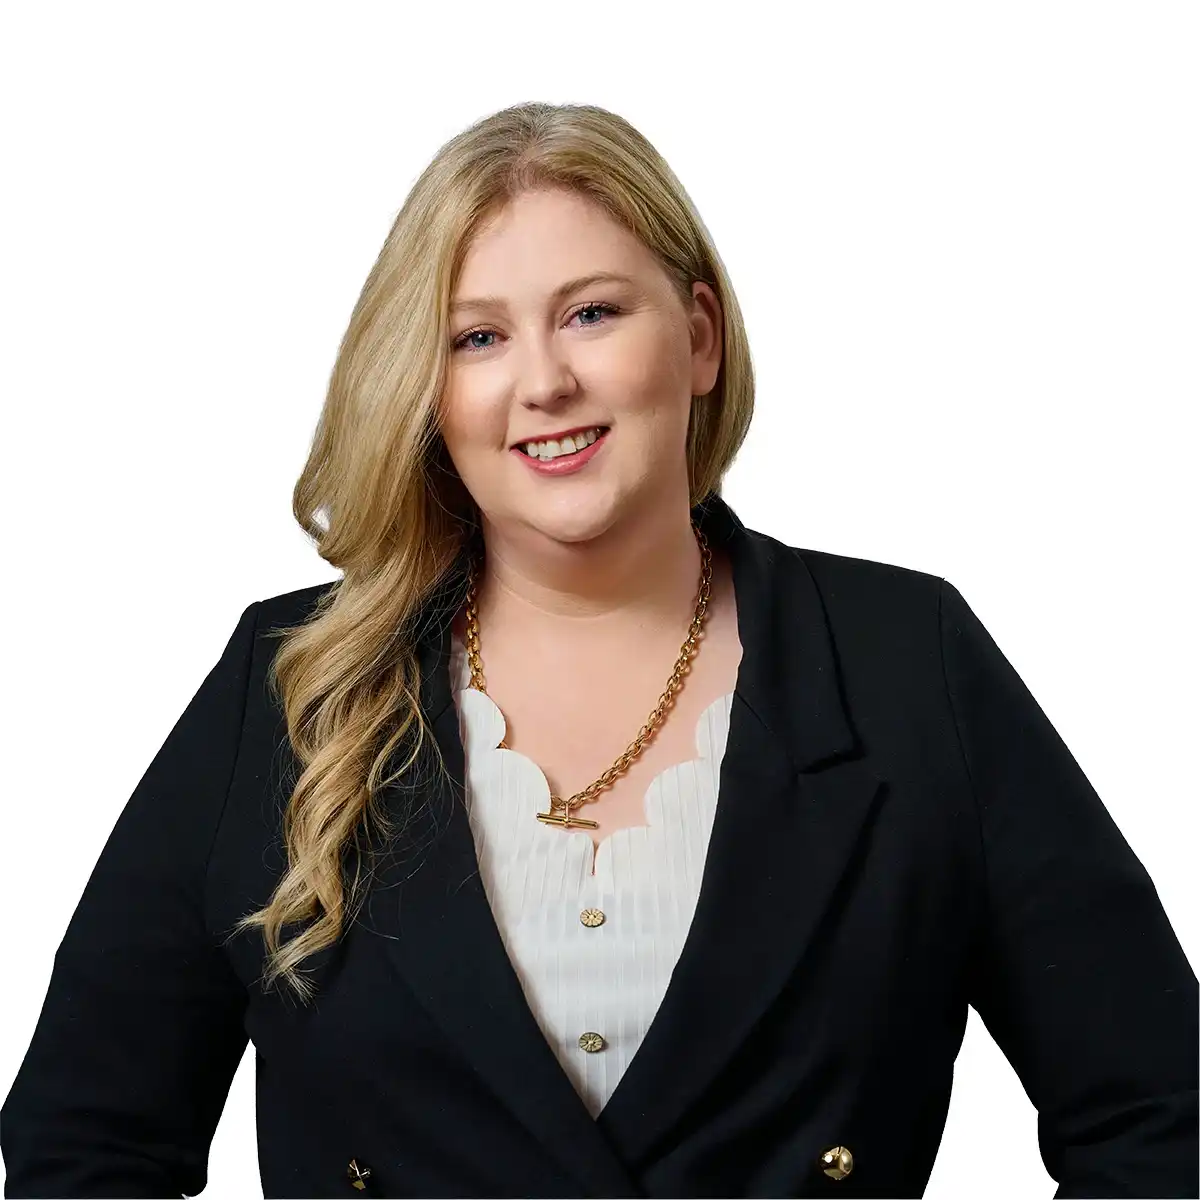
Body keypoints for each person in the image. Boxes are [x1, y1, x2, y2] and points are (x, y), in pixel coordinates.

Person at [1, 100, 1195, 1200]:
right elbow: (83, 1140)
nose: (545, 380)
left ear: (699, 336)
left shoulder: (907, 661)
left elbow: (1161, 1114)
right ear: (425, 391)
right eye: (476, 338)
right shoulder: (290, 687)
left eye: (592, 312)